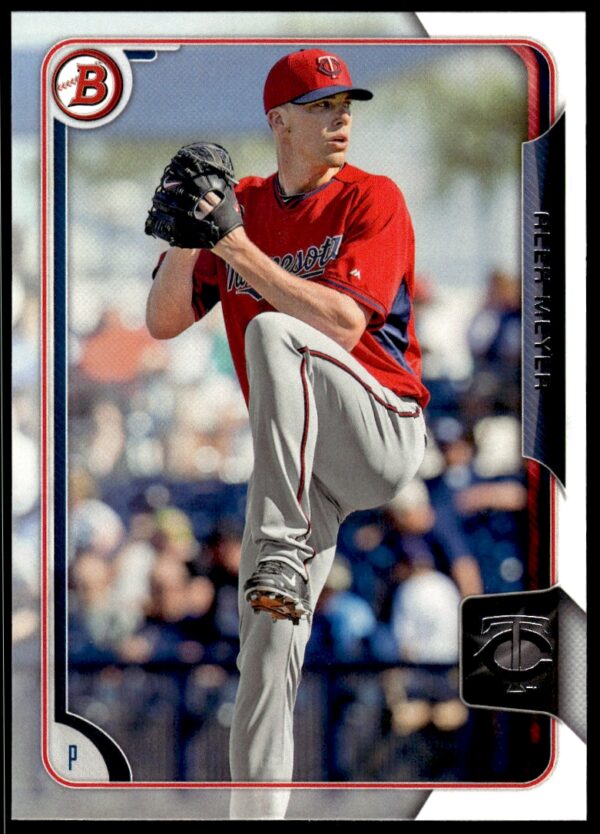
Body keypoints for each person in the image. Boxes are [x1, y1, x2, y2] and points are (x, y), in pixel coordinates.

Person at [146, 48, 429, 819]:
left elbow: (340, 323)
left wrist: (232, 246)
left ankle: (274, 554)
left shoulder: (373, 196)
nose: (341, 119)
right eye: (321, 106)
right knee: (264, 655)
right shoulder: (241, 201)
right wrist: (183, 235)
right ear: (279, 121)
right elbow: (163, 320)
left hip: (380, 427)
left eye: (346, 105)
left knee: (275, 333)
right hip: (306, 471)